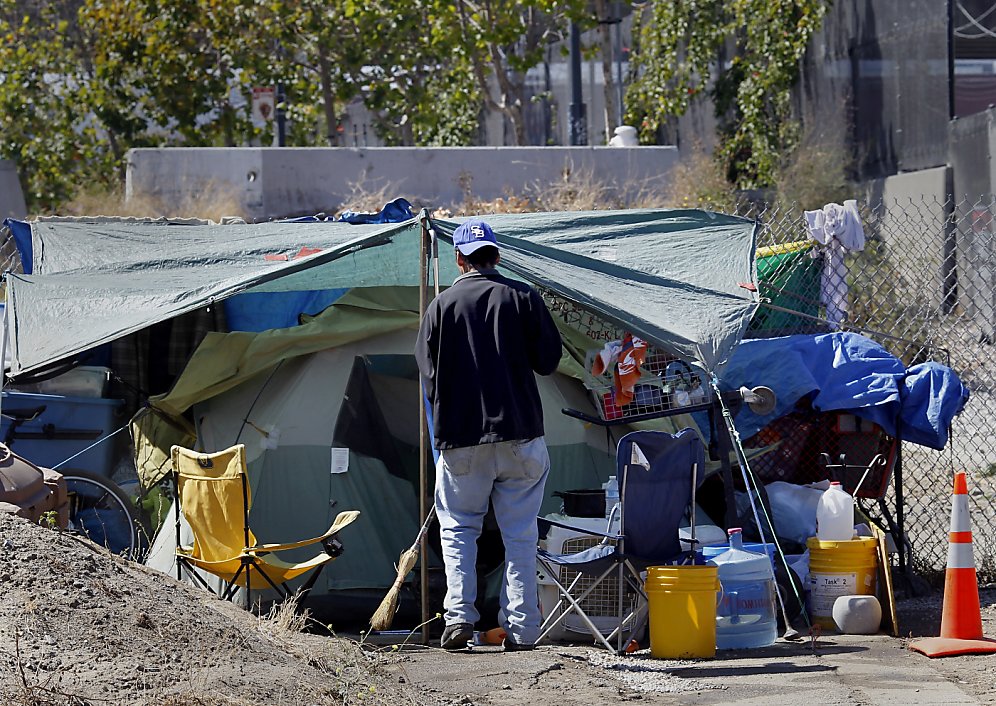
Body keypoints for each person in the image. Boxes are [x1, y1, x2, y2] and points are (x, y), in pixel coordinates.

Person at [415, 218, 563, 652]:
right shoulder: (523, 298)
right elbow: (549, 361)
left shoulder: (440, 307)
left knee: (459, 530)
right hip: (520, 436)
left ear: (459, 259)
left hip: (460, 441)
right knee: (520, 534)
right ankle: (522, 629)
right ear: (496, 256)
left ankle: (459, 619)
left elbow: (427, 378)